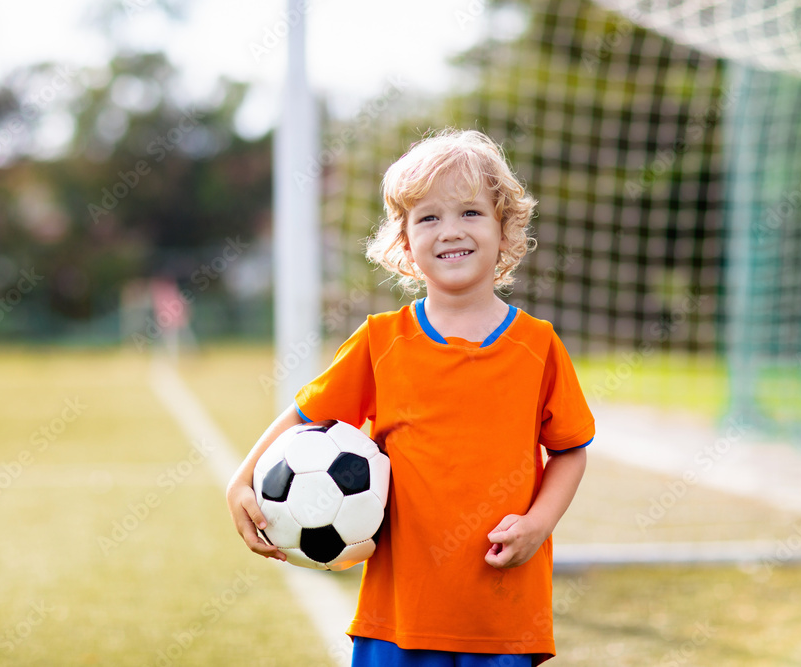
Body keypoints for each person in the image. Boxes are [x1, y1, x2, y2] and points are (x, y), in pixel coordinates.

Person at [226, 129, 595, 666]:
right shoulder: (380, 340)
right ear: (403, 241)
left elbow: (569, 450)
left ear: (505, 227)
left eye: (470, 212)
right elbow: (306, 414)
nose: (450, 231)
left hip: (502, 615)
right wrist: (243, 478)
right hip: (397, 618)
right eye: (428, 217)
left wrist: (538, 524)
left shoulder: (537, 345)